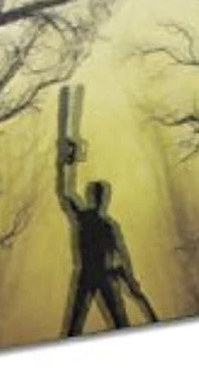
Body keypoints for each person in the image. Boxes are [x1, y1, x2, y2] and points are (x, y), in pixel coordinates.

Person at [57, 140, 141, 335]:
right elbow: (66, 194)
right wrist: (66, 163)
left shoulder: (97, 223)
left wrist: (129, 280)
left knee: (112, 320)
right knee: (111, 320)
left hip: (95, 274)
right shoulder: (97, 222)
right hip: (93, 274)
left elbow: (121, 254)